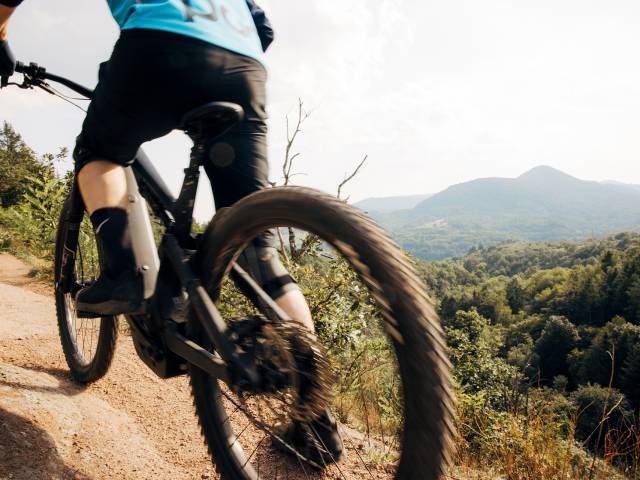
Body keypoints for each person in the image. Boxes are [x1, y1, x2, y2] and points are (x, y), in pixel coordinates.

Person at [0, 0, 342, 465]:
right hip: (244, 63)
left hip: (156, 47)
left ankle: (125, 273)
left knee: (100, 154)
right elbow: (263, 25)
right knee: (255, 244)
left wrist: (0, 36)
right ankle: (315, 414)